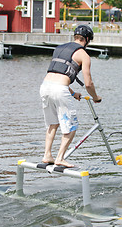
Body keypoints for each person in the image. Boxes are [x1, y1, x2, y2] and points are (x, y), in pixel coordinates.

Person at [40, 25, 102, 168]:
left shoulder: (59, 48)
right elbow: (88, 84)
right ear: (87, 40)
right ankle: (60, 158)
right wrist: (96, 97)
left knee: (53, 123)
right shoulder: (84, 55)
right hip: (60, 89)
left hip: (45, 87)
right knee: (72, 126)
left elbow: (58, 73)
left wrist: (73, 94)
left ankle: (47, 155)